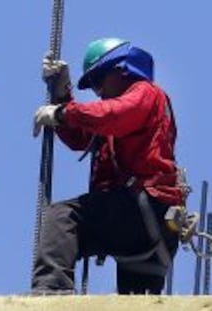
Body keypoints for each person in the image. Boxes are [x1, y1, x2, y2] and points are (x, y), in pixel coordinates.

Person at [31, 38, 183, 295]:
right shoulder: (114, 120)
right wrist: (62, 93)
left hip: (144, 209)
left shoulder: (145, 93)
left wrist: (62, 113)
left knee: (64, 217)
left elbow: (111, 114)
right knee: (135, 303)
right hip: (142, 225)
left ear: (122, 69)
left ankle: (51, 294)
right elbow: (81, 136)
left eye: (99, 80)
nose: (97, 91)